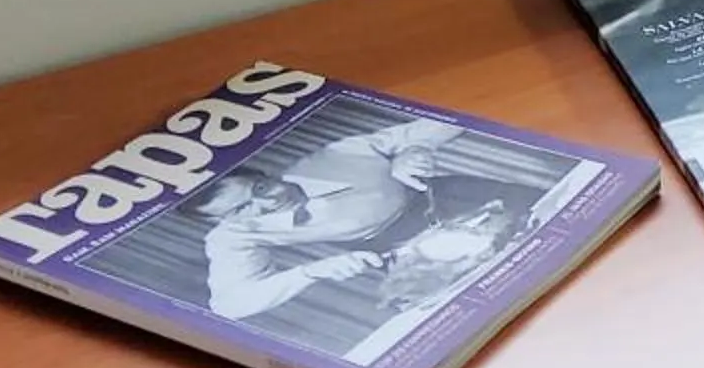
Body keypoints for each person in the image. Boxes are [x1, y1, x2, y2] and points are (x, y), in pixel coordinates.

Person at [192, 115, 512, 321]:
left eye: (261, 187)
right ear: (221, 220)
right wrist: (310, 272)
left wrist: (411, 150)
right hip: (400, 247)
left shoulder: (335, 154)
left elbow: (444, 121)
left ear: (265, 172)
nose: (269, 201)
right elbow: (229, 305)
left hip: (454, 195)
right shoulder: (231, 236)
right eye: (241, 209)